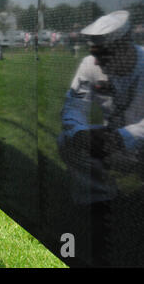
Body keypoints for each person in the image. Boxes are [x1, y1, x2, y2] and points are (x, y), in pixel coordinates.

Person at [58, 10, 144, 206]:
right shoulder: (89, 65)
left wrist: (124, 137)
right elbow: (74, 106)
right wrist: (79, 133)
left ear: (124, 48)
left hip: (139, 143)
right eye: (94, 53)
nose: (96, 61)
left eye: (103, 54)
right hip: (111, 141)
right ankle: (100, 200)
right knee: (67, 140)